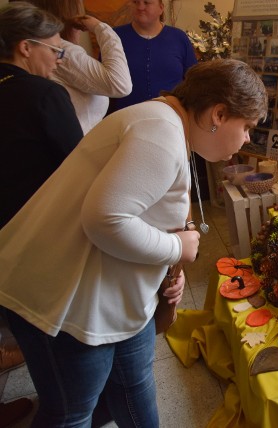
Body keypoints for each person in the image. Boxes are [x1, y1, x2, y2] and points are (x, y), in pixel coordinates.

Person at [0, 56, 267, 426]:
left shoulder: (167, 121)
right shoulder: (161, 131)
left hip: (109, 290)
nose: (247, 139)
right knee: (72, 412)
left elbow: (150, 207)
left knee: (134, 384)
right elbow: (105, 218)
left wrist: (170, 262)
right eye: (248, 127)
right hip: (65, 298)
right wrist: (178, 249)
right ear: (218, 114)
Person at [0, 2, 84, 425]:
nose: (58, 59)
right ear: (25, 47)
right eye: (55, 50)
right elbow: (79, 166)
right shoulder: (44, 94)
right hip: (34, 238)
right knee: (54, 360)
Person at [19, 0, 132, 134]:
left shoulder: (49, 49)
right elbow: (121, 85)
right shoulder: (62, 51)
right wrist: (101, 28)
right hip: (78, 148)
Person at [111, 0, 197, 111]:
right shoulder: (114, 37)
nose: (140, 7)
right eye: (136, 2)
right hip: (125, 118)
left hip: (171, 117)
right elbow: (103, 80)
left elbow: (194, 80)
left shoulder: (178, 37)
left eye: (146, 3)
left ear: (161, 8)